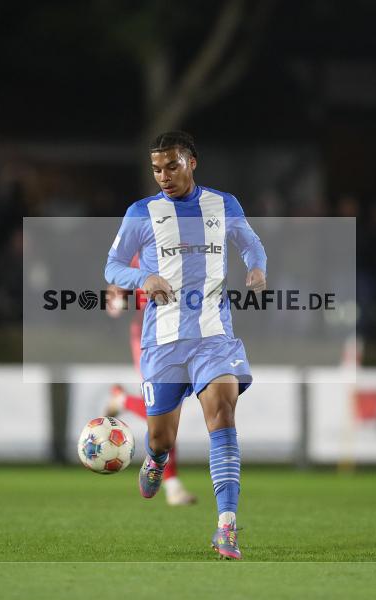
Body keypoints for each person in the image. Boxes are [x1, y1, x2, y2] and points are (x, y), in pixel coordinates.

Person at [104, 131, 267, 560]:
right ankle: (156, 458)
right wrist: (143, 278)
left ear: (191, 162)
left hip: (214, 337)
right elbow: (113, 266)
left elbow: (249, 241)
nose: (163, 175)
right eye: (157, 168)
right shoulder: (141, 213)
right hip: (163, 343)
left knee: (223, 415)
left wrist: (256, 266)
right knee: (162, 437)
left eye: (171, 166)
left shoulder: (224, 204)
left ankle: (226, 527)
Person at [105, 262, 197, 506]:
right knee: (161, 411)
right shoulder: (143, 242)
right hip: (150, 336)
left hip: (183, 334)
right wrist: (121, 298)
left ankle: (122, 399)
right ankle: (173, 486)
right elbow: (117, 295)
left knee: (168, 412)